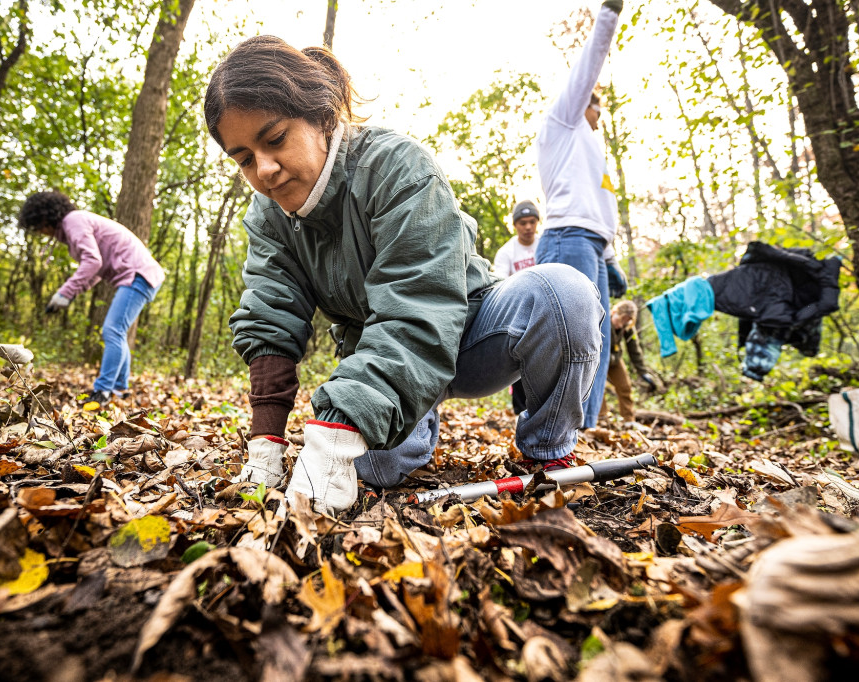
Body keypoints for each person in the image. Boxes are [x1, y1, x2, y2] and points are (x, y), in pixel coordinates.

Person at [203, 35, 602, 515]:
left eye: (275, 140)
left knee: (564, 295)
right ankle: (418, 416)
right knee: (374, 468)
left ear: (321, 114)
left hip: (473, 330)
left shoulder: (397, 168)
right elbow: (271, 316)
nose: (264, 169)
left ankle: (549, 450)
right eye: (244, 158)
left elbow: (419, 303)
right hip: (377, 350)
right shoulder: (268, 216)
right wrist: (266, 442)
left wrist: (334, 438)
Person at [535, 0, 625, 429]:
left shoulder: (594, 147)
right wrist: (609, 14)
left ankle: (582, 428)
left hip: (593, 245)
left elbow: (602, 207)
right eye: (595, 104)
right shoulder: (563, 123)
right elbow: (589, 67)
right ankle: (556, 427)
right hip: (567, 238)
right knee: (573, 339)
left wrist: (610, 256)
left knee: (600, 342)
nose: (598, 112)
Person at [17, 192, 165, 405]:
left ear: (44, 217)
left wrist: (64, 293)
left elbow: (92, 262)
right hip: (141, 275)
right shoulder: (74, 226)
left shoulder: (73, 220)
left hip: (138, 275)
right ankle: (120, 390)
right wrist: (70, 294)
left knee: (112, 331)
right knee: (118, 332)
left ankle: (103, 392)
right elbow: (97, 271)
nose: (41, 232)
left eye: (38, 226)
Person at [493, 199, 541, 415]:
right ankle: (520, 412)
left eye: (532, 221)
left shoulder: (544, 245)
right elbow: (500, 286)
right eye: (523, 222)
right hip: (520, 314)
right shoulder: (507, 252)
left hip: (545, 311)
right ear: (515, 225)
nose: (528, 227)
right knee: (521, 362)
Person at [599, 300, 656, 428]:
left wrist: (643, 372)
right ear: (615, 313)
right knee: (599, 387)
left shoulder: (627, 327)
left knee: (625, 386)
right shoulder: (603, 321)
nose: (622, 323)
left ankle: (629, 420)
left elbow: (634, 350)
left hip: (615, 358)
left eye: (627, 320)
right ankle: (601, 418)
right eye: (621, 319)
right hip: (600, 358)